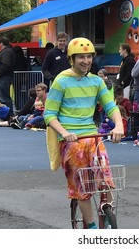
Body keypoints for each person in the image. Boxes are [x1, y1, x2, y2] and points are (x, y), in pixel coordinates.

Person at [44, 37, 124, 229]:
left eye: (88, 57)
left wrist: (119, 125)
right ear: (72, 58)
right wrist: (65, 133)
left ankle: (107, 210)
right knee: (82, 187)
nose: (86, 61)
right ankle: (91, 227)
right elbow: (49, 115)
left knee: (105, 177)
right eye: (81, 57)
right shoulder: (61, 82)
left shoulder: (96, 81)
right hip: (72, 139)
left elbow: (110, 106)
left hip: (92, 137)